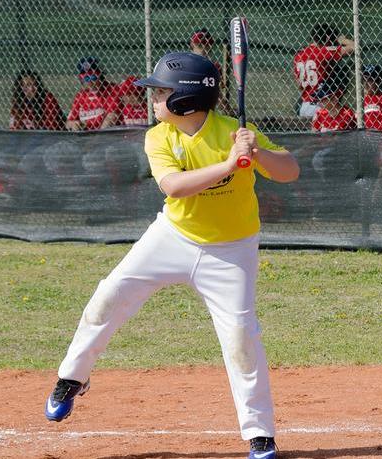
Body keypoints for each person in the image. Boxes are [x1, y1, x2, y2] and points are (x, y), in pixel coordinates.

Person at [44, 51, 300, 459]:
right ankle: (71, 378)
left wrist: (259, 153)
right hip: (173, 236)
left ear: (185, 100)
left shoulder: (234, 132)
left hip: (231, 252)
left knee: (241, 340)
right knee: (108, 295)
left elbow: (290, 171)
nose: (153, 99)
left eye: (161, 93)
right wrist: (230, 165)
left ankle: (260, 434)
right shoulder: (159, 136)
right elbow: (174, 186)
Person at [294, 23, 355, 120]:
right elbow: (354, 47)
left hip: (304, 106)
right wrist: (342, 40)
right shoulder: (323, 51)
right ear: (327, 38)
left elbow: (298, 84)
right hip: (322, 106)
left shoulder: (299, 55)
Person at [66, 57, 119, 131]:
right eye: (86, 78)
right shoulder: (81, 95)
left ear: (100, 75)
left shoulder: (110, 90)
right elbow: (68, 122)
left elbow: (112, 116)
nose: (90, 82)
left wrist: (98, 137)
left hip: (104, 135)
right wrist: (73, 123)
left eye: (93, 77)